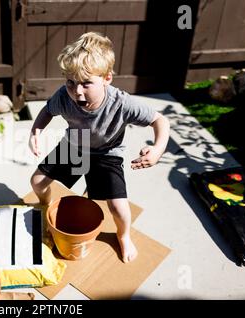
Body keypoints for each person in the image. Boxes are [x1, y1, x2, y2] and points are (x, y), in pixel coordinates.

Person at [29, 32, 170, 263]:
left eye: (86, 83)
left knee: (118, 208)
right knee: (37, 181)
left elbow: (160, 120)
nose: (78, 91)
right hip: (74, 146)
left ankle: (123, 236)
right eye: (71, 82)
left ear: (107, 78)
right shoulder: (64, 96)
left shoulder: (123, 103)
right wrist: (36, 131)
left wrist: (157, 149)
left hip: (107, 154)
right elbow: (47, 110)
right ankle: (45, 207)